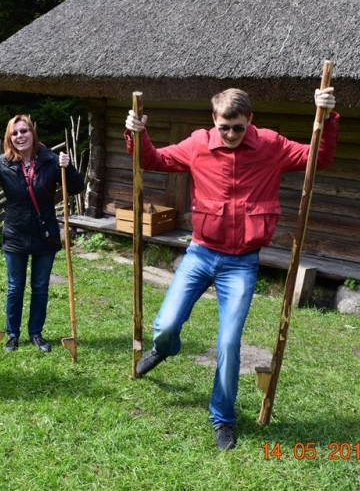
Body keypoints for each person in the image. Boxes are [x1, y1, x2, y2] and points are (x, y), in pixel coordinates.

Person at [125, 87, 338, 450]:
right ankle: (164, 348)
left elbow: (318, 157)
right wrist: (136, 134)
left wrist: (327, 118)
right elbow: (154, 160)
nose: (231, 135)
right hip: (200, 253)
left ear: (249, 121)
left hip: (241, 263)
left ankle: (222, 418)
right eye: (224, 127)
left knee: (229, 342)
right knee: (165, 325)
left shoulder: (270, 145)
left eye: (237, 128)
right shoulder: (198, 144)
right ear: (214, 121)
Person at [0, 115, 85, 353]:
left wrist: (68, 166)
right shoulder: (2, 163)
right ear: (9, 138)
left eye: (24, 131)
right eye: (15, 133)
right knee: (14, 287)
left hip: (45, 233)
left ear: (33, 133)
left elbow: (76, 187)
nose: (20, 136)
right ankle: (12, 334)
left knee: (40, 286)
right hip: (16, 233)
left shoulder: (51, 161)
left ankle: (36, 333)